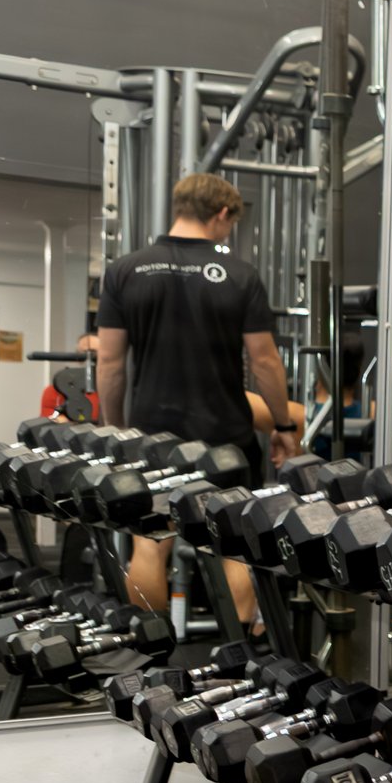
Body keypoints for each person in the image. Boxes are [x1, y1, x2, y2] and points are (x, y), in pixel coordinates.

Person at [95, 172, 298, 627]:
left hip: (152, 432)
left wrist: (117, 431)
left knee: (150, 541)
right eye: (231, 223)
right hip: (224, 433)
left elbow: (108, 364)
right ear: (222, 214)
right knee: (233, 542)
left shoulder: (126, 270)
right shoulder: (241, 275)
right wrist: (284, 427)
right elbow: (264, 361)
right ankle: (238, 651)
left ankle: (147, 647)